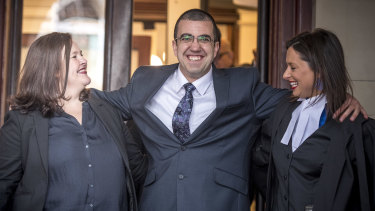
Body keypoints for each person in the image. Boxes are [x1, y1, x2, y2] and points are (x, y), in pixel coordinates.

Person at [91, 9, 365, 211]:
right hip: (156, 202)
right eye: (186, 38)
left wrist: (336, 97)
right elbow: (100, 102)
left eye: (204, 39)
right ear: (174, 46)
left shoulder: (242, 85)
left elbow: (297, 98)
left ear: (216, 47)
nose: (195, 46)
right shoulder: (144, 81)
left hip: (222, 204)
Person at [0, 32, 138, 211]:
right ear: (54, 70)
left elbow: (138, 169)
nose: (83, 60)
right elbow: (3, 185)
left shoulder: (107, 111)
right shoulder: (22, 121)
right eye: (74, 56)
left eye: (82, 54)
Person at [263, 29, 375, 210]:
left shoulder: (353, 128)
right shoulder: (282, 109)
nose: (285, 75)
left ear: (320, 70)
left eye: (293, 67)